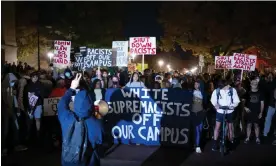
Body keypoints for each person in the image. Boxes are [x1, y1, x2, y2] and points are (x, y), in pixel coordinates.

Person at [57, 73, 103, 166]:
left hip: (69, 161)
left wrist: (71, 88)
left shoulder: (66, 117)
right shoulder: (97, 122)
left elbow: (61, 104)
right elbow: (99, 141)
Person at [210, 79, 240, 151]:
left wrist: (233, 105)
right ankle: (214, 144)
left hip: (230, 111)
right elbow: (213, 100)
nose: (228, 86)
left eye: (228, 85)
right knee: (217, 127)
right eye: (226, 85)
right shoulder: (217, 91)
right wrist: (215, 105)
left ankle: (231, 142)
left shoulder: (232, 90)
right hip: (220, 111)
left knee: (230, 127)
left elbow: (236, 100)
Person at [244, 78, 264, 144]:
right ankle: (247, 138)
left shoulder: (260, 93)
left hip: (257, 112)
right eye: (253, 83)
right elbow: (242, 102)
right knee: (248, 125)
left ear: (257, 84)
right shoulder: (247, 93)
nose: (254, 84)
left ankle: (257, 138)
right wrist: (245, 108)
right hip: (249, 112)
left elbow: (262, 103)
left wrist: (261, 112)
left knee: (256, 125)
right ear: (251, 84)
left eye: (256, 83)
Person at [25, 71, 44, 142]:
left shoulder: (40, 85)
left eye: (36, 77)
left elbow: (43, 94)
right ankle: (29, 133)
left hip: (38, 105)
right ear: (31, 78)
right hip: (30, 106)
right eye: (33, 77)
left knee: (37, 119)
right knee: (29, 120)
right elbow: (25, 96)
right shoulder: (27, 86)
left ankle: (38, 133)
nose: (35, 78)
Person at [191, 81, 206, 153]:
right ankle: (197, 146)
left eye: (197, 84)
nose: (195, 85)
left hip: (201, 113)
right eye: (195, 84)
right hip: (194, 113)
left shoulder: (203, 93)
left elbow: (205, 103)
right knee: (197, 130)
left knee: (200, 130)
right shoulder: (191, 92)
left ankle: (197, 144)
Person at [263, 73, 276, 137]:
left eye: (271, 76)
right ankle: (266, 132)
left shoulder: (273, 83)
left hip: (272, 104)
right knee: (268, 119)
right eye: (269, 76)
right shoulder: (269, 84)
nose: (270, 77)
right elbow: (265, 90)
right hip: (271, 104)